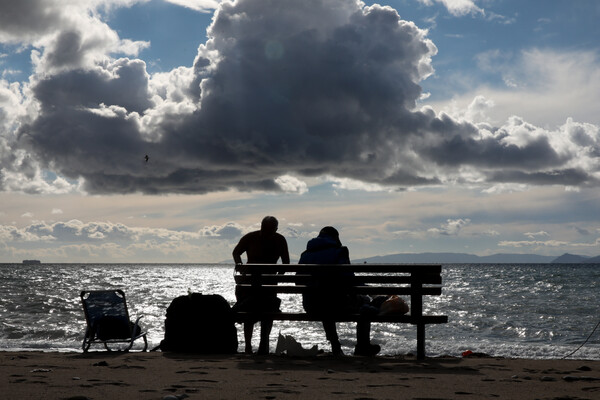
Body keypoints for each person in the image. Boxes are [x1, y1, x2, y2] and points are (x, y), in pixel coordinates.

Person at [298, 226, 380, 356]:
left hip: (311, 306)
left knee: (323, 300)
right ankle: (362, 346)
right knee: (365, 304)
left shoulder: (305, 255)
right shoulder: (339, 251)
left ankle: (336, 347)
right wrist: (368, 290)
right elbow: (349, 279)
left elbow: (298, 282)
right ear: (335, 238)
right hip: (336, 304)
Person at [232, 216, 290, 354]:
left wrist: (241, 269)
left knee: (249, 313)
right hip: (268, 282)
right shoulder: (279, 239)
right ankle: (261, 344)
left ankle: (250, 346)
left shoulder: (251, 237)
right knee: (266, 312)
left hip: (252, 282)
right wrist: (279, 277)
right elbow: (286, 262)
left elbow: (236, 253)